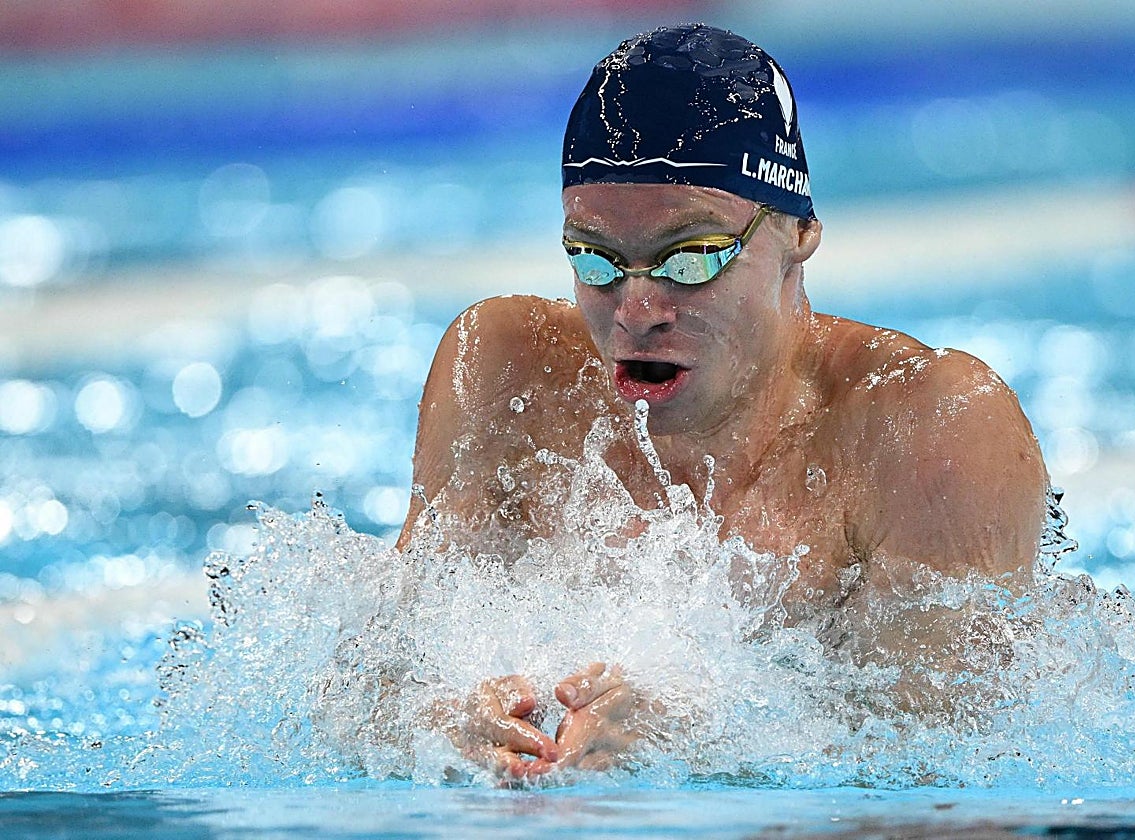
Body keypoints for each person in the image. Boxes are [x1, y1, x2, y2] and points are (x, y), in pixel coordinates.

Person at [393, 23, 1048, 779]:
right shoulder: (505, 373)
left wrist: (705, 740)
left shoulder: (926, 426)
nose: (636, 308)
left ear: (799, 233)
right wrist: (438, 723)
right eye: (594, 258)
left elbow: (952, 764)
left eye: (693, 255)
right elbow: (379, 672)